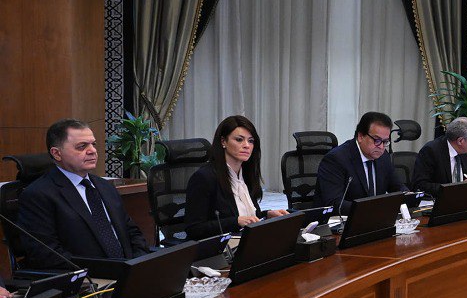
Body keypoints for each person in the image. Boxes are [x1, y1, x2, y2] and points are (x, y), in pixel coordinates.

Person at [16, 119, 151, 270]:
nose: (92, 150)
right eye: (82, 146)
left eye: (93, 144)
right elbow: (46, 255)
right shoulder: (38, 195)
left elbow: (132, 232)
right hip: (88, 277)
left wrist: (138, 265)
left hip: (128, 271)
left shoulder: (105, 186)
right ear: (57, 153)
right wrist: (108, 271)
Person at [184, 115, 287, 239]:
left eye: (251, 141)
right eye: (239, 140)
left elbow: (248, 216)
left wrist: (267, 215)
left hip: (247, 241)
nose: (246, 145)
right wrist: (235, 222)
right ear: (223, 141)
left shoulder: (246, 175)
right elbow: (194, 229)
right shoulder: (204, 177)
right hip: (219, 247)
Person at [317, 112, 404, 214]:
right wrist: (374, 209)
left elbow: (397, 187)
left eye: (385, 142)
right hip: (340, 220)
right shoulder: (336, 159)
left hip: (372, 219)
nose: (381, 147)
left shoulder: (383, 157)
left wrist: (409, 196)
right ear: (361, 136)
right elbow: (334, 203)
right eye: (377, 140)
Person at [411, 117, 467, 196]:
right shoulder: (431, 151)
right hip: (438, 200)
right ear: (460, 141)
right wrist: (455, 189)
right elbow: (420, 185)